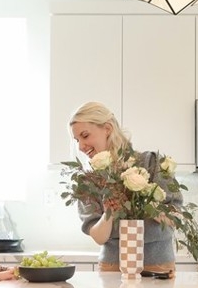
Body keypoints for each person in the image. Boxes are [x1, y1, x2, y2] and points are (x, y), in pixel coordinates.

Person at [69, 101, 182, 274]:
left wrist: (147, 204)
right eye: (77, 140)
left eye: (85, 136)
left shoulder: (151, 163)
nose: (80, 146)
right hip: (113, 266)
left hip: (157, 265)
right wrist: (110, 212)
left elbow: (176, 218)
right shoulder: (87, 181)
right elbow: (99, 237)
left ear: (107, 129)